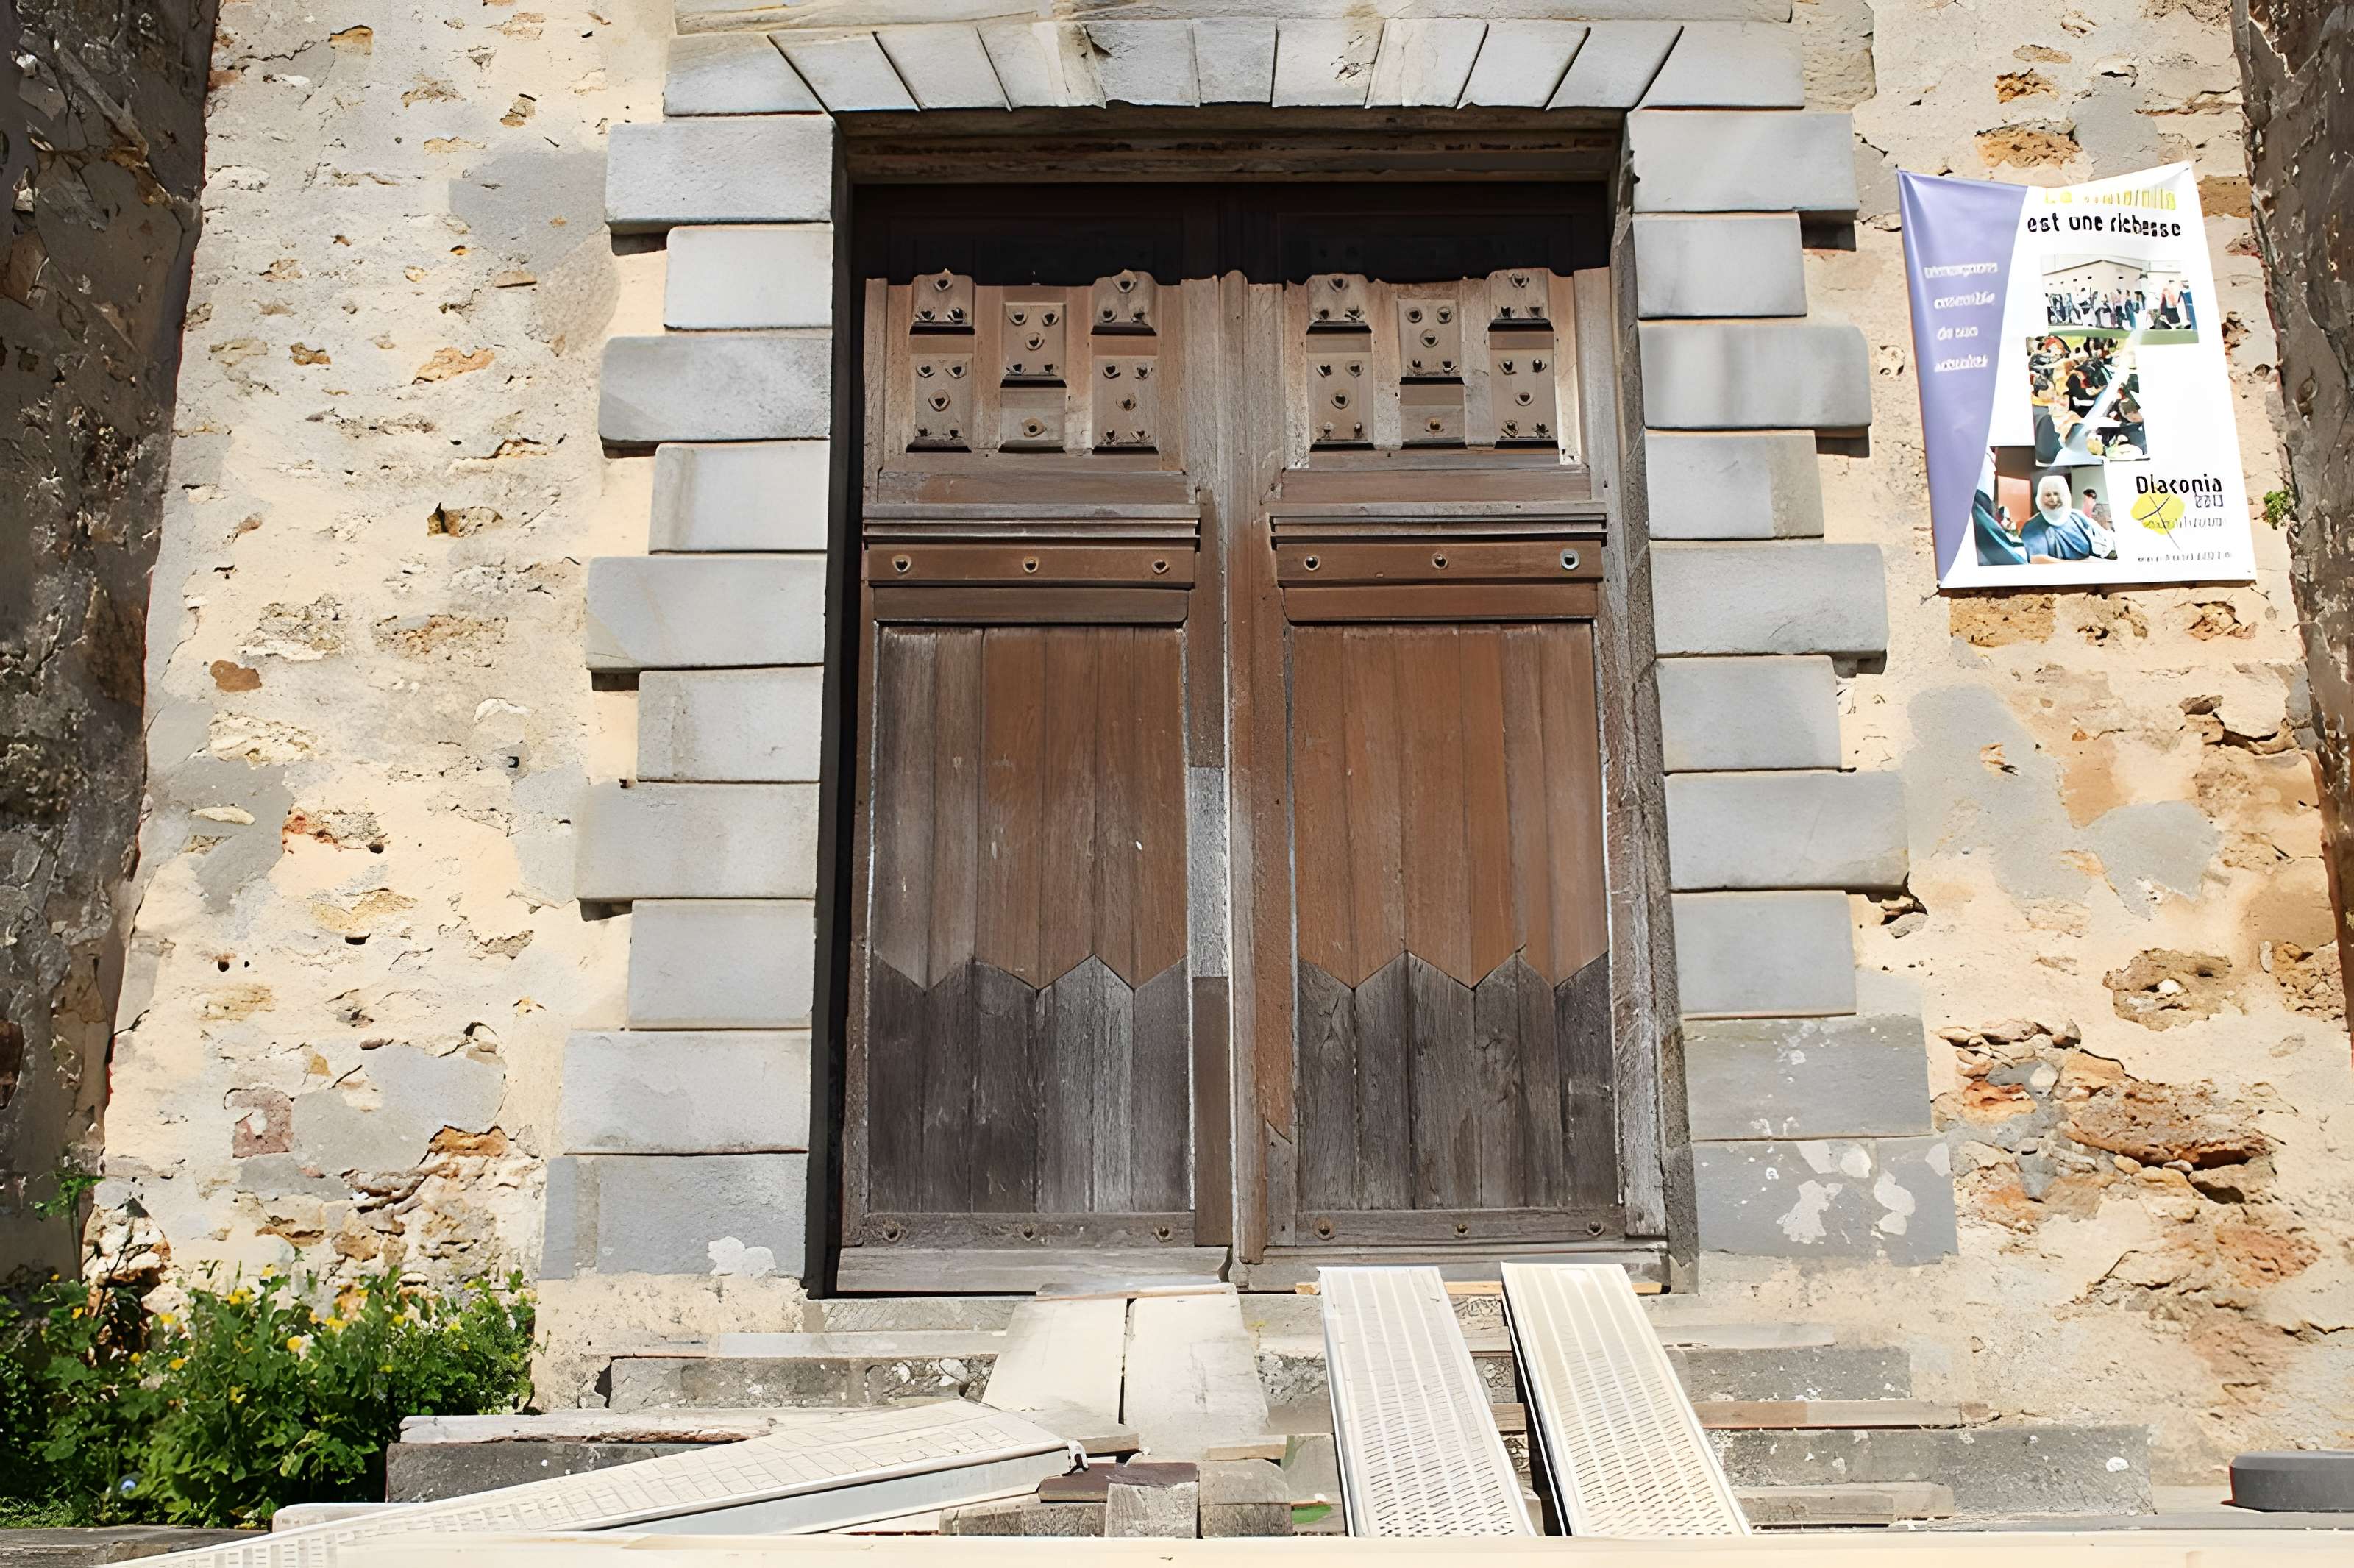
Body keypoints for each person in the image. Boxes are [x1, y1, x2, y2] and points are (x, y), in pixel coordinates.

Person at [2019, 474, 2100, 562]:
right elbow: (2037, 560)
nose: (2053, 500)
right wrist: (2084, 566)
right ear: (2040, 499)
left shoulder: (2078, 518)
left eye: (2057, 494)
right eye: (2048, 495)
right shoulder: (2032, 527)